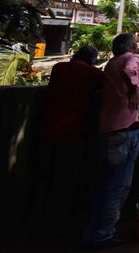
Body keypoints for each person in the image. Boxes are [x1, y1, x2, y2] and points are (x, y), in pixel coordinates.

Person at [35, 46, 104, 244]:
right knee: (69, 181)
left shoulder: (58, 68)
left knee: (48, 180)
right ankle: (63, 230)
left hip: (47, 130)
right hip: (74, 133)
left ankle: (44, 227)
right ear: (91, 59)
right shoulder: (93, 73)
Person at [82, 34, 139, 249]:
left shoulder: (110, 63)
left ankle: (92, 233)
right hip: (125, 131)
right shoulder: (132, 58)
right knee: (117, 187)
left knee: (105, 184)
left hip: (108, 130)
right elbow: (130, 70)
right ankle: (103, 236)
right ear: (133, 46)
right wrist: (135, 88)